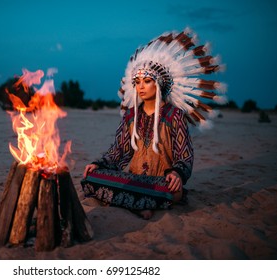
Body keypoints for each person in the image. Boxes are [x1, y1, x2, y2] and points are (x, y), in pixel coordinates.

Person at [81, 28, 227, 219]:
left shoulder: (175, 115)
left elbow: (185, 156)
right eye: (138, 81)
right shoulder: (131, 116)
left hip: (161, 183)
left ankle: (135, 202)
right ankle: (140, 204)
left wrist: (176, 174)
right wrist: (99, 164)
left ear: (159, 83)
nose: (141, 86)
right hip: (134, 180)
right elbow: (119, 151)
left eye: (147, 81)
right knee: (91, 179)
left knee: (171, 191)